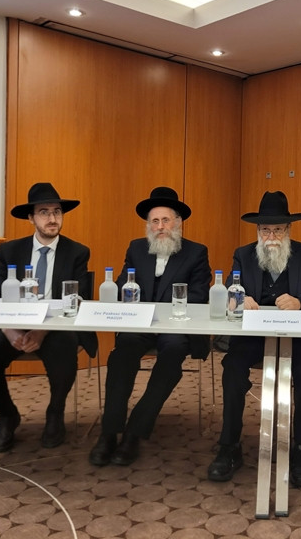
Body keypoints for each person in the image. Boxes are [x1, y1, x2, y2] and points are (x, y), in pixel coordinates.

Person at [207, 191, 301, 487]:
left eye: (277, 229)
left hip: (297, 336)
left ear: (288, 229)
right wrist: (240, 297)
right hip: (254, 334)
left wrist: (300, 301)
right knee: (232, 368)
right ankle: (229, 445)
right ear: (257, 231)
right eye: (265, 230)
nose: (271, 236)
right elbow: (230, 287)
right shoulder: (243, 254)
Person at [89, 187, 211, 466]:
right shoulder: (136, 248)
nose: (160, 227)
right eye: (154, 221)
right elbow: (123, 284)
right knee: (121, 354)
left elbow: (198, 295)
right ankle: (109, 432)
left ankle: (134, 431)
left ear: (178, 222)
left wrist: (160, 313)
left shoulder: (196, 252)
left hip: (176, 327)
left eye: (165, 220)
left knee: (172, 354)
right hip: (139, 324)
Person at [0, 182, 96, 451]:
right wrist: (9, 331)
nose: (52, 218)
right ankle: (7, 414)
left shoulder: (77, 252)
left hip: (58, 326)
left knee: (64, 352)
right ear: (31, 218)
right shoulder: (10, 251)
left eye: (57, 212)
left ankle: (55, 412)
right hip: (14, 324)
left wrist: (42, 331)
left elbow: (79, 300)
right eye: (44, 212)